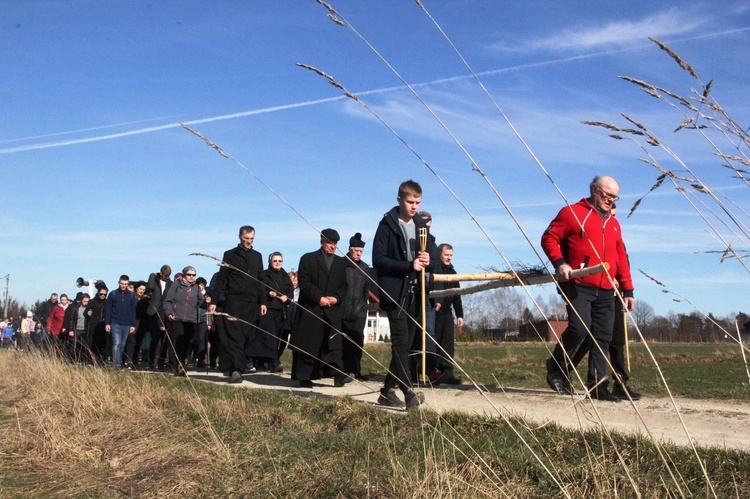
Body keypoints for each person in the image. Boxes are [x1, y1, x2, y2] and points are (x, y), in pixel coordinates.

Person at [541, 175, 635, 402]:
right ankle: (556, 366)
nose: (611, 200)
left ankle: (597, 387)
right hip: (578, 284)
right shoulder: (572, 213)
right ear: (594, 190)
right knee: (579, 329)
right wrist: (560, 263)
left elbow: (620, 257)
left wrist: (628, 290)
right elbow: (549, 238)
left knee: (602, 336)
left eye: (614, 197)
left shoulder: (613, 223)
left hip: (606, 289)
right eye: (607, 195)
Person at [372, 180, 436, 409]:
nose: (414, 207)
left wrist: (429, 260)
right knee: (400, 342)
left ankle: (387, 391)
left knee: (407, 344)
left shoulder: (421, 225)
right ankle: (409, 392)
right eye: (410, 202)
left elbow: (431, 255)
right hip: (394, 293)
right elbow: (378, 260)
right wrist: (409, 265)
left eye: (418, 202)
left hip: (416, 293)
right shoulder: (387, 225)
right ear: (399, 199)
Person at [290, 229, 350, 388]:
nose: (333, 247)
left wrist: (336, 298)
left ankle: (338, 375)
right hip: (312, 308)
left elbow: (344, 285)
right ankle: (305, 377)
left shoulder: (340, 262)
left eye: (335, 244)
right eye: (330, 243)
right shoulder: (308, 259)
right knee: (308, 345)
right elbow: (304, 282)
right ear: (322, 242)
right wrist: (319, 298)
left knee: (333, 345)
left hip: (332, 310)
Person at [208, 226, 267, 383]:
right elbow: (221, 279)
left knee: (247, 336)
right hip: (234, 300)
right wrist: (213, 301)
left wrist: (263, 301)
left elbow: (260, 280)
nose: (248, 242)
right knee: (234, 335)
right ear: (240, 237)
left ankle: (237, 364)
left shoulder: (257, 256)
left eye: (251, 239)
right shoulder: (230, 255)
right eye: (246, 238)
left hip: (252, 302)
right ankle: (236, 369)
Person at [342, 233, 379, 381]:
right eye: (356, 251)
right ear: (350, 249)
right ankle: (343, 371)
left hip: (359, 311)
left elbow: (365, 291)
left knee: (357, 340)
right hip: (343, 310)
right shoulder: (341, 264)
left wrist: (364, 308)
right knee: (343, 342)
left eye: (361, 252)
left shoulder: (365, 268)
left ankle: (356, 370)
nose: (358, 254)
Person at [162, 266, 206, 376]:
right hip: (177, 317)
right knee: (179, 340)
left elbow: (201, 302)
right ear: (184, 275)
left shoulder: (196, 288)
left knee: (188, 343)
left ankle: (182, 363)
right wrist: (169, 312)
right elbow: (167, 301)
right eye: (189, 274)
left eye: (193, 275)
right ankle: (178, 365)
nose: (191, 277)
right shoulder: (176, 285)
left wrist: (207, 301)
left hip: (191, 319)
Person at [256, 252, 294, 373]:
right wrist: (269, 293)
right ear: (270, 262)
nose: (277, 263)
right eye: (275, 261)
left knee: (279, 338)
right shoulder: (265, 274)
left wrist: (286, 297)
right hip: (269, 309)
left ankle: (272, 361)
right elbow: (260, 289)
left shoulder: (285, 276)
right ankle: (273, 361)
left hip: (282, 311)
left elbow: (291, 292)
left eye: (279, 261)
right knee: (269, 337)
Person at [433, 243, 464, 385]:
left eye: (451, 255)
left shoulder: (453, 273)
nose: (448, 258)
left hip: (447, 313)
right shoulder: (435, 270)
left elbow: (457, 297)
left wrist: (460, 315)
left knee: (448, 344)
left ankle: (448, 373)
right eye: (446, 255)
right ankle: (435, 373)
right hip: (434, 312)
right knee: (435, 343)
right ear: (440, 254)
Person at [106, 275, 137, 369]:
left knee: (122, 345)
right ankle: (117, 365)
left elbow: (133, 311)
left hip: (126, 324)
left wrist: (132, 324)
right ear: (118, 283)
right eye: (122, 284)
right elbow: (108, 310)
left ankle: (118, 362)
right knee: (116, 343)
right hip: (115, 322)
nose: (123, 286)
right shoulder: (113, 294)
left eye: (126, 284)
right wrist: (107, 323)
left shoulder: (131, 295)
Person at [146, 265, 172, 371]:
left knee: (164, 340)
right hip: (153, 313)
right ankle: (152, 362)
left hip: (164, 313)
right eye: (164, 275)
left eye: (168, 275)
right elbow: (149, 287)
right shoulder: (154, 279)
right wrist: (153, 275)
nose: (166, 277)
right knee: (155, 339)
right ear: (161, 273)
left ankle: (161, 363)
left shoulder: (170, 284)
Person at [86, 287, 108, 364]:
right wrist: (88, 313)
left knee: (103, 345)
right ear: (98, 293)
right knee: (92, 344)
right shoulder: (92, 301)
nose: (103, 295)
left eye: (105, 294)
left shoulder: (107, 302)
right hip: (94, 326)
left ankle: (101, 360)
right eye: (101, 294)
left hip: (103, 326)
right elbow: (85, 312)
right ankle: (92, 360)